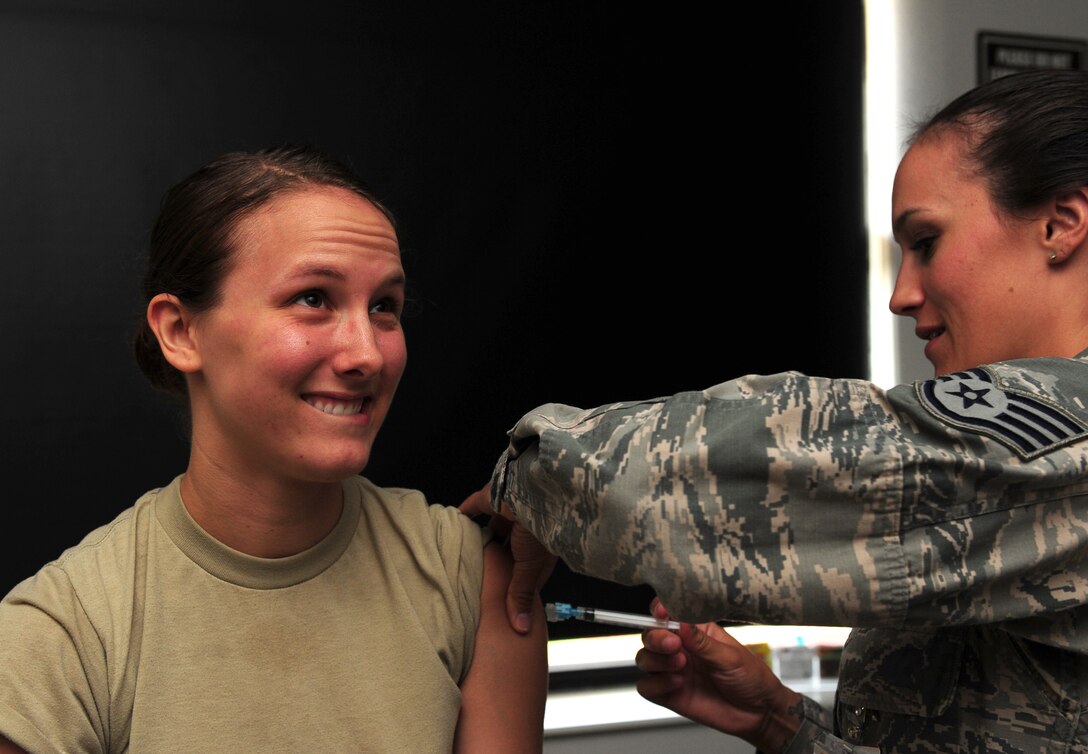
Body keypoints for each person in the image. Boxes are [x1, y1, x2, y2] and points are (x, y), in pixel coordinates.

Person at [461, 67, 1088, 752]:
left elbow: (728, 472)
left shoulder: (1060, 441)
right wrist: (783, 724)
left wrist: (529, 482)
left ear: (1061, 224)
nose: (901, 294)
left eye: (927, 242)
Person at [0, 145, 548, 753]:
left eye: (385, 307)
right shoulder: (58, 639)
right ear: (181, 332)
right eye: (313, 298)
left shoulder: (475, 580)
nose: (367, 353)